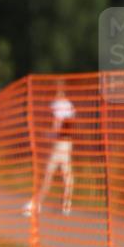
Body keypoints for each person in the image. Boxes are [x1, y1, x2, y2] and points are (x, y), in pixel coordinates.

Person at [23, 87, 76, 217]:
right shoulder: (70, 106)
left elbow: (56, 125)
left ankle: (36, 203)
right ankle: (66, 205)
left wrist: (47, 135)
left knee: (48, 175)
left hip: (59, 145)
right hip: (67, 144)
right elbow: (70, 125)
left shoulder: (57, 106)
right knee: (67, 176)